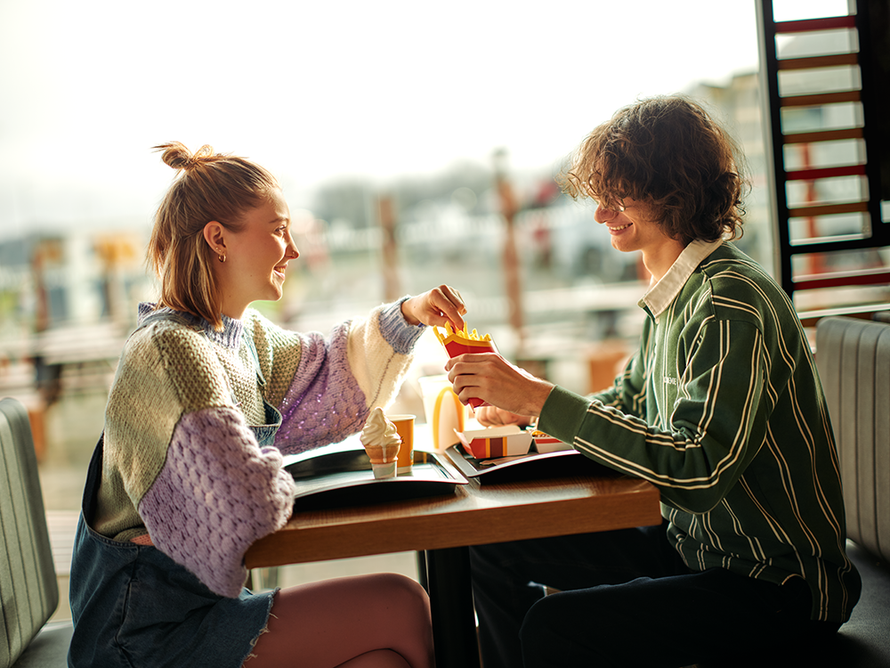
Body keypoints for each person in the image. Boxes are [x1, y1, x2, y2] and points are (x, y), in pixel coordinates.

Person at [445, 96, 861, 668]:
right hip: (698, 551)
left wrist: (539, 399)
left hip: (776, 586)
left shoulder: (728, 301)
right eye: (600, 194)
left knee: (555, 627)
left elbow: (700, 468)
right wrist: (527, 410)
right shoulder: (674, 296)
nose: (601, 213)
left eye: (620, 194)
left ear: (676, 189)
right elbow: (628, 403)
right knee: (486, 548)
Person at [68, 142, 467, 668]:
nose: (294, 249)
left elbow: (326, 371)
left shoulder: (236, 335)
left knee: (385, 656)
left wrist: (409, 315)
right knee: (401, 605)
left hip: (200, 610)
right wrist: (268, 468)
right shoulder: (170, 350)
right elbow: (246, 506)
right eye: (279, 229)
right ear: (218, 239)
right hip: (143, 639)